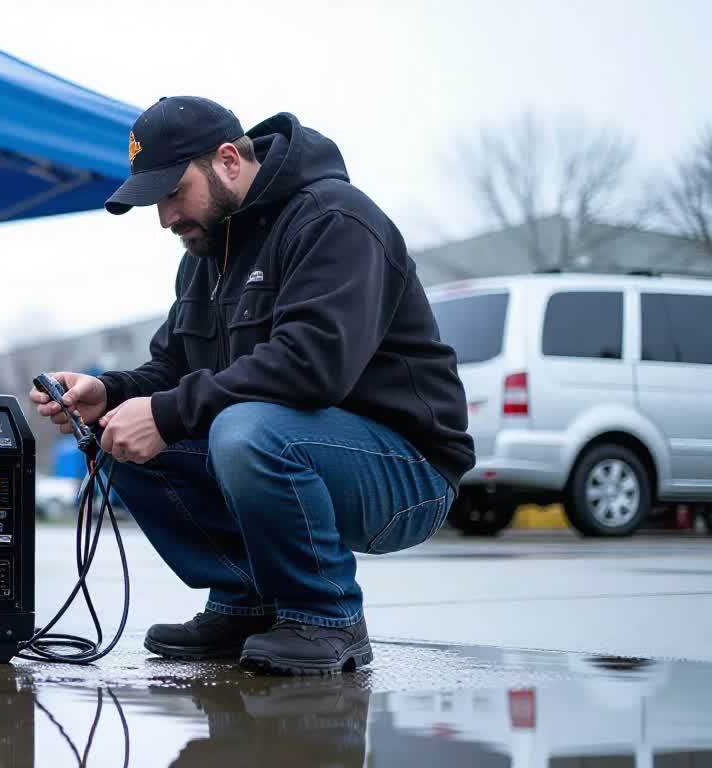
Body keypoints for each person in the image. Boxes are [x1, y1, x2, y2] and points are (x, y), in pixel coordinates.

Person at [28, 96, 475, 675]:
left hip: (407, 471)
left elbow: (311, 366)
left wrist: (164, 414)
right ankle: (249, 599)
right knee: (116, 434)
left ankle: (326, 615)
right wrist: (108, 394)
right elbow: (173, 372)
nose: (165, 217)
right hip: (294, 445)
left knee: (245, 430)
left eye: (173, 192)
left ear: (229, 160)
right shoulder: (204, 256)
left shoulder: (334, 219)